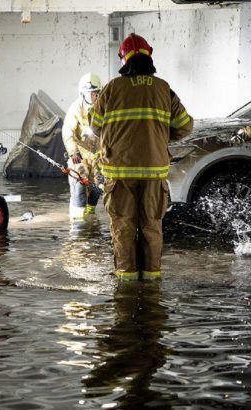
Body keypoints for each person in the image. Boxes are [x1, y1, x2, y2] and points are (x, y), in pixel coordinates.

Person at [90, 33, 193, 281]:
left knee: (123, 228)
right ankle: (152, 284)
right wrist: (159, 136)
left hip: (119, 174)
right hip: (154, 173)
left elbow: (94, 126)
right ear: (149, 56)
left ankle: (125, 287)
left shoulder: (111, 89)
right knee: (151, 227)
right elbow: (185, 126)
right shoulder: (164, 89)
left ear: (123, 60)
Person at [62, 72, 103, 222]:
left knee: (97, 188)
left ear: (99, 92)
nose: (91, 96)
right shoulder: (76, 108)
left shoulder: (104, 107)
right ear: (82, 93)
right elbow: (68, 131)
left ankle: (90, 217)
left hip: (99, 157)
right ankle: (77, 221)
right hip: (80, 157)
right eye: (88, 93)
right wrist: (73, 151)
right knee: (79, 186)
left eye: (94, 93)